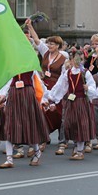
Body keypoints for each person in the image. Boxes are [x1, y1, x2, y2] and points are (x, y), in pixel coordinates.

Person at [26, 19, 67, 154]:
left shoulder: (63, 58)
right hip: (44, 86)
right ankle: (43, 138)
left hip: (57, 87)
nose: (49, 45)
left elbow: (64, 76)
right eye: (49, 43)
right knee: (43, 112)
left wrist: (60, 90)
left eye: (52, 44)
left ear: (58, 45)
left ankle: (62, 139)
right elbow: (37, 41)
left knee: (57, 113)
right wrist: (30, 26)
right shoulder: (45, 53)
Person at [0, 70, 50, 168]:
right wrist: (1, 95)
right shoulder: (12, 66)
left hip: (27, 97)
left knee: (29, 126)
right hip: (14, 96)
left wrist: (45, 100)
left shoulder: (31, 67)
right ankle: (9, 159)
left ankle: (37, 152)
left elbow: (38, 84)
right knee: (10, 126)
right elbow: (7, 82)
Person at [46, 52, 96, 160]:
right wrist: (53, 99)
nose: (77, 62)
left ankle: (79, 150)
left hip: (81, 101)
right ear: (71, 61)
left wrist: (88, 89)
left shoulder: (85, 73)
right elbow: (60, 86)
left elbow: (93, 88)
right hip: (71, 102)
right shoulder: (67, 73)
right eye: (75, 59)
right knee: (70, 124)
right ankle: (76, 146)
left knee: (81, 125)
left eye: (80, 59)